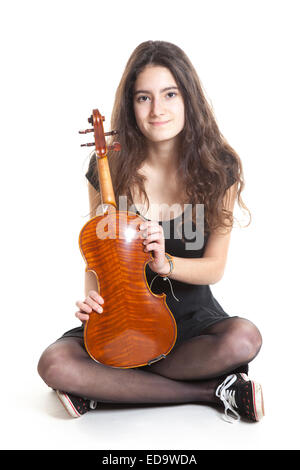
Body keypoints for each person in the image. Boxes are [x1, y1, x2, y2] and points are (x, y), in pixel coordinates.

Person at [37, 40, 264, 423]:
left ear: (188, 99)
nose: (157, 110)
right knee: (54, 364)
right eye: (144, 98)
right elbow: (98, 256)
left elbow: (214, 267)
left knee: (244, 338)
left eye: (170, 94)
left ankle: (107, 387)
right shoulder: (107, 169)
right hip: (123, 314)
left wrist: (167, 263)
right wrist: (92, 301)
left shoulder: (220, 169)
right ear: (131, 106)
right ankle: (212, 391)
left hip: (191, 321)